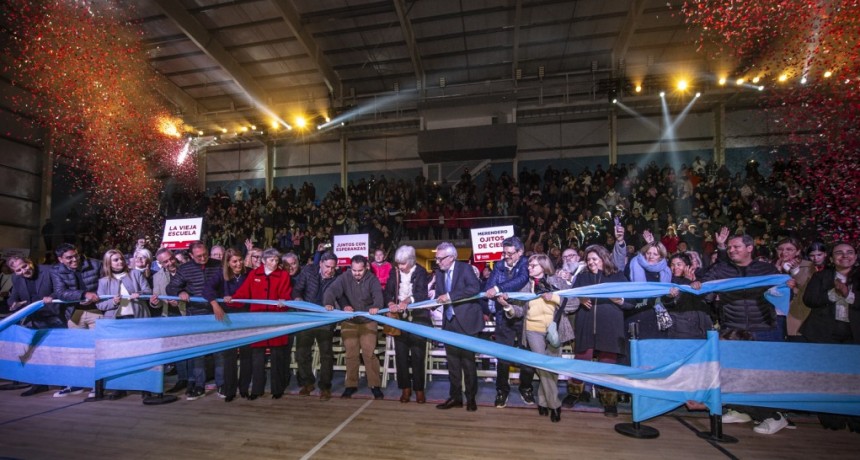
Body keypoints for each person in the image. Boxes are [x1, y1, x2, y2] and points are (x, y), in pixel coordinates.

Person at [693, 234, 788, 434]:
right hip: (732, 329)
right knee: (732, 373)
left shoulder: (766, 269)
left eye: (736, 247)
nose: (731, 250)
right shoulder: (721, 269)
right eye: (729, 248)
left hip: (763, 328)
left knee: (760, 375)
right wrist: (699, 286)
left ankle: (773, 416)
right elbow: (706, 293)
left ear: (750, 248)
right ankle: (740, 410)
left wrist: (788, 287)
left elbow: (784, 294)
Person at [496, 254, 574, 423]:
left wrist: (553, 297)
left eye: (533, 266)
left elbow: (574, 304)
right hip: (533, 331)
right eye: (529, 266)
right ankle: (555, 405)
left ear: (544, 267)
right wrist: (508, 306)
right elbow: (519, 311)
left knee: (551, 368)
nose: (529, 268)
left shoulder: (558, 282)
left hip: (555, 330)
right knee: (543, 366)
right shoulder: (526, 286)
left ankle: (543, 402)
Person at [801, 242, 860, 431]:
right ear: (832, 258)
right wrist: (833, 294)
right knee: (826, 378)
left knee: (854, 379)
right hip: (824, 334)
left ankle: (856, 420)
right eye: (839, 253)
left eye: (849, 252)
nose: (845, 256)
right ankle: (832, 419)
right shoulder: (821, 276)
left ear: (855, 256)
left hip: (854, 335)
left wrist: (848, 294)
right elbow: (809, 300)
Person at [570, 244, 631, 416]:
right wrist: (580, 299)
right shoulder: (582, 277)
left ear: (604, 258)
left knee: (608, 361)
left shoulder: (618, 276)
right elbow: (571, 296)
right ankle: (575, 392)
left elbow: (631, 301)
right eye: (588, 259)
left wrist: (620, 301)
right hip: (586, 323)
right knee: (581, 359)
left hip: (610, 325)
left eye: (594, 259)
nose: (591, 262)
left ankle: (609, 400)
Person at [227, 248, 292, 399]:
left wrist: (284, 301)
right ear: (263, 261)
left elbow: (286, 294)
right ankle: (257, 390)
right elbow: (243, 293)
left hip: (276, 321)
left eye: (276, 260)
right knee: (257, 357)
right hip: (257, 321)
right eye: (271, 260)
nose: (274, 263)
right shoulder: (254, 274)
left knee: (277, 356)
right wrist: (232, 300)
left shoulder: (283, 275)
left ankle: (277, 390)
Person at [166, 241, 223, 401]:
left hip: (218, 314)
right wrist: (180, 292)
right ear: (191, 256)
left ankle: (222, 384)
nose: (203, 258)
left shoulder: (218, 265)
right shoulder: (184, 269)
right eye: (199, 256)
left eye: (205, 254)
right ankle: (199, 386)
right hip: (196, 315)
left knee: (220, 351)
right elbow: (171, 287)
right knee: (199, 353)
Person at [323, 255, 385, 400]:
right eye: (354, 270)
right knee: (351, 354)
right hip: (349, 322)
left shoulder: (372, 280)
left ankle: (375, 385)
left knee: (369, 354)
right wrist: (328, 302)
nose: (356, 273)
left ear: (366, 268)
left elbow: (378, 297)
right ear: (350, 268)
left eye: (360, 271)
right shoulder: (344, 277)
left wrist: (376, 306)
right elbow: (331, 290)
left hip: (368, 321)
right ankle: (351, 385)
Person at [93, 249, 151, 400]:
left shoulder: (136, 274)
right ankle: (120, 387)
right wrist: (113, 302)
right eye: (115, 260)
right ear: (108, 263)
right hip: (116, 323)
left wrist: (140, 294)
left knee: (140, 354)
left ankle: (145, 387)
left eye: (121, 258)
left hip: (137, 319)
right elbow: (100, 305)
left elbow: (148, 291)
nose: (120, 261)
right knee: (119, 356)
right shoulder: (103, 281)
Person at [483, 236, 534, 408]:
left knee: (527, 354)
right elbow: (489, 287)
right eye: (504, 253)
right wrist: (494, 290)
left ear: (520, 252)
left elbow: (522, 280)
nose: (506, 256)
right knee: (503, 355)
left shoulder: (526, 263)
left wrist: (499, 288)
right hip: (503, 317)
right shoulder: (499, 265)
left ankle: (526, 388)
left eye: (510, 253)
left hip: (524, 316)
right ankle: (502, 390)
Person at [434, 242, 484, 412]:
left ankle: (471, 398)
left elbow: (474, 288)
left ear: (451, 257)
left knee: (468, 363)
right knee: (453, 363)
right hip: (449, 322)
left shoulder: (465, 269)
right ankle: (455, 397)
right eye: (436, 258)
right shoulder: (439, 273)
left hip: (467, 322)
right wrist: (433, 302)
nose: (437, 262)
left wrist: (449, 296)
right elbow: (439, 295)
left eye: (440, 259)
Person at [50, 243, 102, 398]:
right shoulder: (56, 270)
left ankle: (97, 385)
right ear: (60, 259)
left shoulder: (95, 264)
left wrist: (94, 296)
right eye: (69, 258)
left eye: (76, 255)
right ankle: (77, 384)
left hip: (96, 311)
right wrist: (83, 294)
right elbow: (60, 292)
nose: (74, 259)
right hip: (73, 314)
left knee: (97, 350)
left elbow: (105, 285)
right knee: (77, 351)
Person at [383, 245, 431, 404]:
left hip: (418, 319)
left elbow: (422, 294)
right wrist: (390, 302)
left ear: (411, 261)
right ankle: (405, 388)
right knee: (401, 355)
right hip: (400, 320)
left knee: (418, 355)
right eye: (398, 263)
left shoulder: (421, 272)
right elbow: (388, 292)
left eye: (403, 263)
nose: (400, 266)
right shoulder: (394, 272)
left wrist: (408, 300)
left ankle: (419, 389)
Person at [6, 256, 59, 397]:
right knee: (35, 352)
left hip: (55, 317)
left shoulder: (48, 270)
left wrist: (52, 297)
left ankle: (65, 383)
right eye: (18, 270)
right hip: (34, 320)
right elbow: (13, 296)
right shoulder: (16, 278)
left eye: (24, 266)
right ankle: (39, 384)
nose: (24, 271)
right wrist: (13, 303)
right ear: (14, 272)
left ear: (29, 262)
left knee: (56, 351)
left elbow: (60, 289)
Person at [202, 248, 251, 402]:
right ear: (227, 263)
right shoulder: (220, 274)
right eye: (234, 261)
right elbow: (207, 289)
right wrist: (215, 304)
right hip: (228, 318)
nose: (238, 264)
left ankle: (244, 389)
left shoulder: (249, 273)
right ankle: (230, 390)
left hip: (246, 318)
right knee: (229, 355)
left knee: (246, 354)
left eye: (240, 260)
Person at [292, 251, 338, 401]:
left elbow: (340, 297)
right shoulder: (308, 271)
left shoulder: (337, 278)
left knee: (326, 354)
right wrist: (298, 298)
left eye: (333, 267)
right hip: (306, 318)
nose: (330, 270)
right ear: (320, 264)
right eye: (327, 267)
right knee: (301, 353)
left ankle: (325, 387)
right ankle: (307, 383)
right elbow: (297, 289)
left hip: (325, 320)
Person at [149, 248, 189, 394]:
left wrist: (180, 298)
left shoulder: (186, 270)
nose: (170, 262)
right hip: (170, 316)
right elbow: (157, 299)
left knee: (190, 347)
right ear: (160, 264)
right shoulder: (157, 277)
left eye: (171, 258)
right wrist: (154, 302)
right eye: (165, 261)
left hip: (188, 314)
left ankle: (194, 379)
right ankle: (182, 379)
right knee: (177, 349)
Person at [625, 231, 671, 339]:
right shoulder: (634, 264)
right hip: (636, 313)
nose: (651, 256)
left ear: (661, 257)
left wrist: (670, 295)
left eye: (655, 254)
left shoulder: (666, 271)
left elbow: (666, 297)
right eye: (648, 253)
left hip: (656, 316)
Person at [662, 253, 712, 339]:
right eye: (672, 265)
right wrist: (687, 281)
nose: (675, 267)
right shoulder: (668, 282)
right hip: (680, 328)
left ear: (687, 266)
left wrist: (695, 282)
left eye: (679, 264)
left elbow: (709, 298)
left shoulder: (699, 279)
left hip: (702, 326)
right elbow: (670, 302)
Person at [775, 237, 815, 339]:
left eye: (789, 249)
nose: (784, 252)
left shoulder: (808, 266)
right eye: (780, 249)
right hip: (775, 313)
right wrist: (775, 271)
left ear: (797, 251)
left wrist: (795, 271)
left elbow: (806, 287)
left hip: (795, 313)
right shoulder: (771, 265)